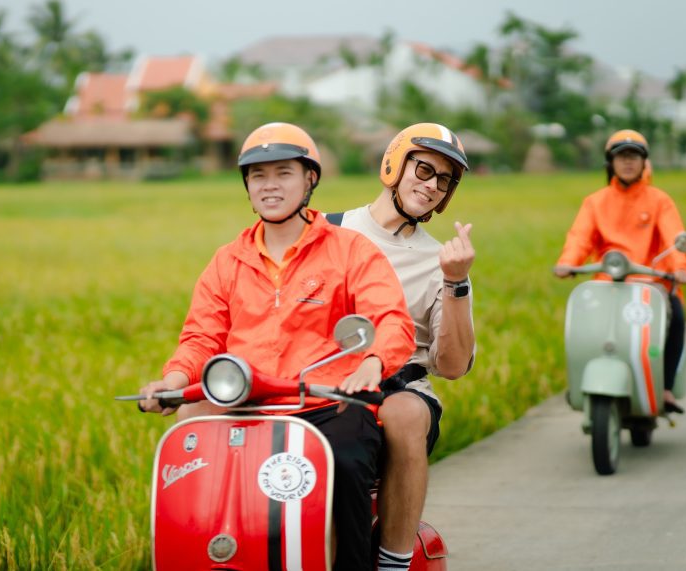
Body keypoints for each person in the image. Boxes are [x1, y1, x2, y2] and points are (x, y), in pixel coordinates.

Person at [138, 122, 416, 570]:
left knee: (344, 463)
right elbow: (202, 337)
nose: (269, 186)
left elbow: (390, 319)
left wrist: (373, 361)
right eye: (258, 176)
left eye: (283, 173)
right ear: (246, 187)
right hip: (244, 405)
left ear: (310, 179)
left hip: (329, 404)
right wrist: (172, 381)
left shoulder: (351, 250)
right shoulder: (227, 260)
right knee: (191, 471)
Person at [326, 122, 476, 571]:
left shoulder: (440, 260)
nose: (431, 187)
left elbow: (451, 365)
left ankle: (393, 560)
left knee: (404, 413)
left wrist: (455, 282)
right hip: (323, 382)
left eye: (444, 181)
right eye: (424, 170)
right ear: (395, 163)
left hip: (397, 388)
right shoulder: (330, 231)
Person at [554, 129, 686, 413]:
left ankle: (664, 388)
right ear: (610, 163)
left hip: (649, 283)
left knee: (676, 314)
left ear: (644, 163)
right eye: (621, 156)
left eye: (634, 156)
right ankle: (582, 379)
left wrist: (680, 266)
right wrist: (568, 261)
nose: (628, 162)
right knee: (585, 327)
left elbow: (673, 237)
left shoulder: (659, 200)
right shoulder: (596, 201)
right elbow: (580, 237)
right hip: (606, 282)